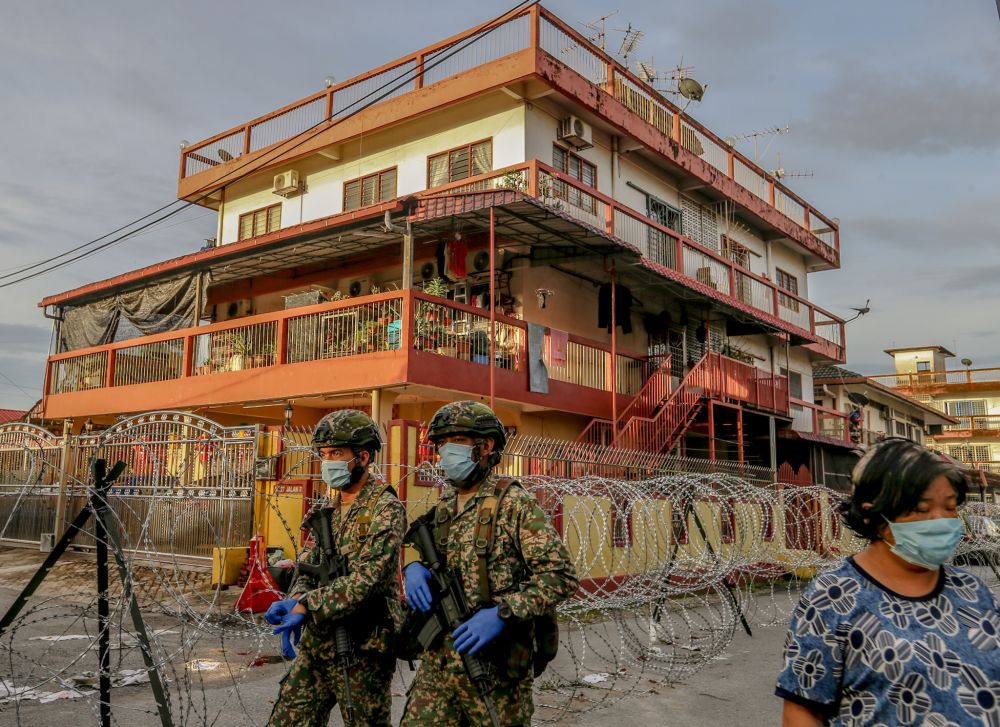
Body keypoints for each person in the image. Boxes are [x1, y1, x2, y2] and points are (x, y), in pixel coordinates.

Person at [776, 438, 1000, 726]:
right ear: (873, 514)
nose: (941, 520)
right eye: (921, 509)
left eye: (950, 507)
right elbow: (803, 710)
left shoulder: (971, 590)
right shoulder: (834, 596)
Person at [400, 401, 579, 726]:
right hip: (438, 669)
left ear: (486, 446)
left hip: (495, 672)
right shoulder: (446, 505)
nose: (443, 453)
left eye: (454, 441)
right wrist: (412, 567)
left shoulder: (514, 504)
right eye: (440, 444)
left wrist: (502, 613)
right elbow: (422, 548)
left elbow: (561, 576)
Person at [266, 410, 406, 727]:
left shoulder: (385, 507)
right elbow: (308, 564)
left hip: (364, 645)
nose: (328, 460)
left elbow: (365, 580)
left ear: (363, 456)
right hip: (319, 640)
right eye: (325, 453)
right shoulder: (326, 508)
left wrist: (305, 605)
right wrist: (295, 598)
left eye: (337, 453)